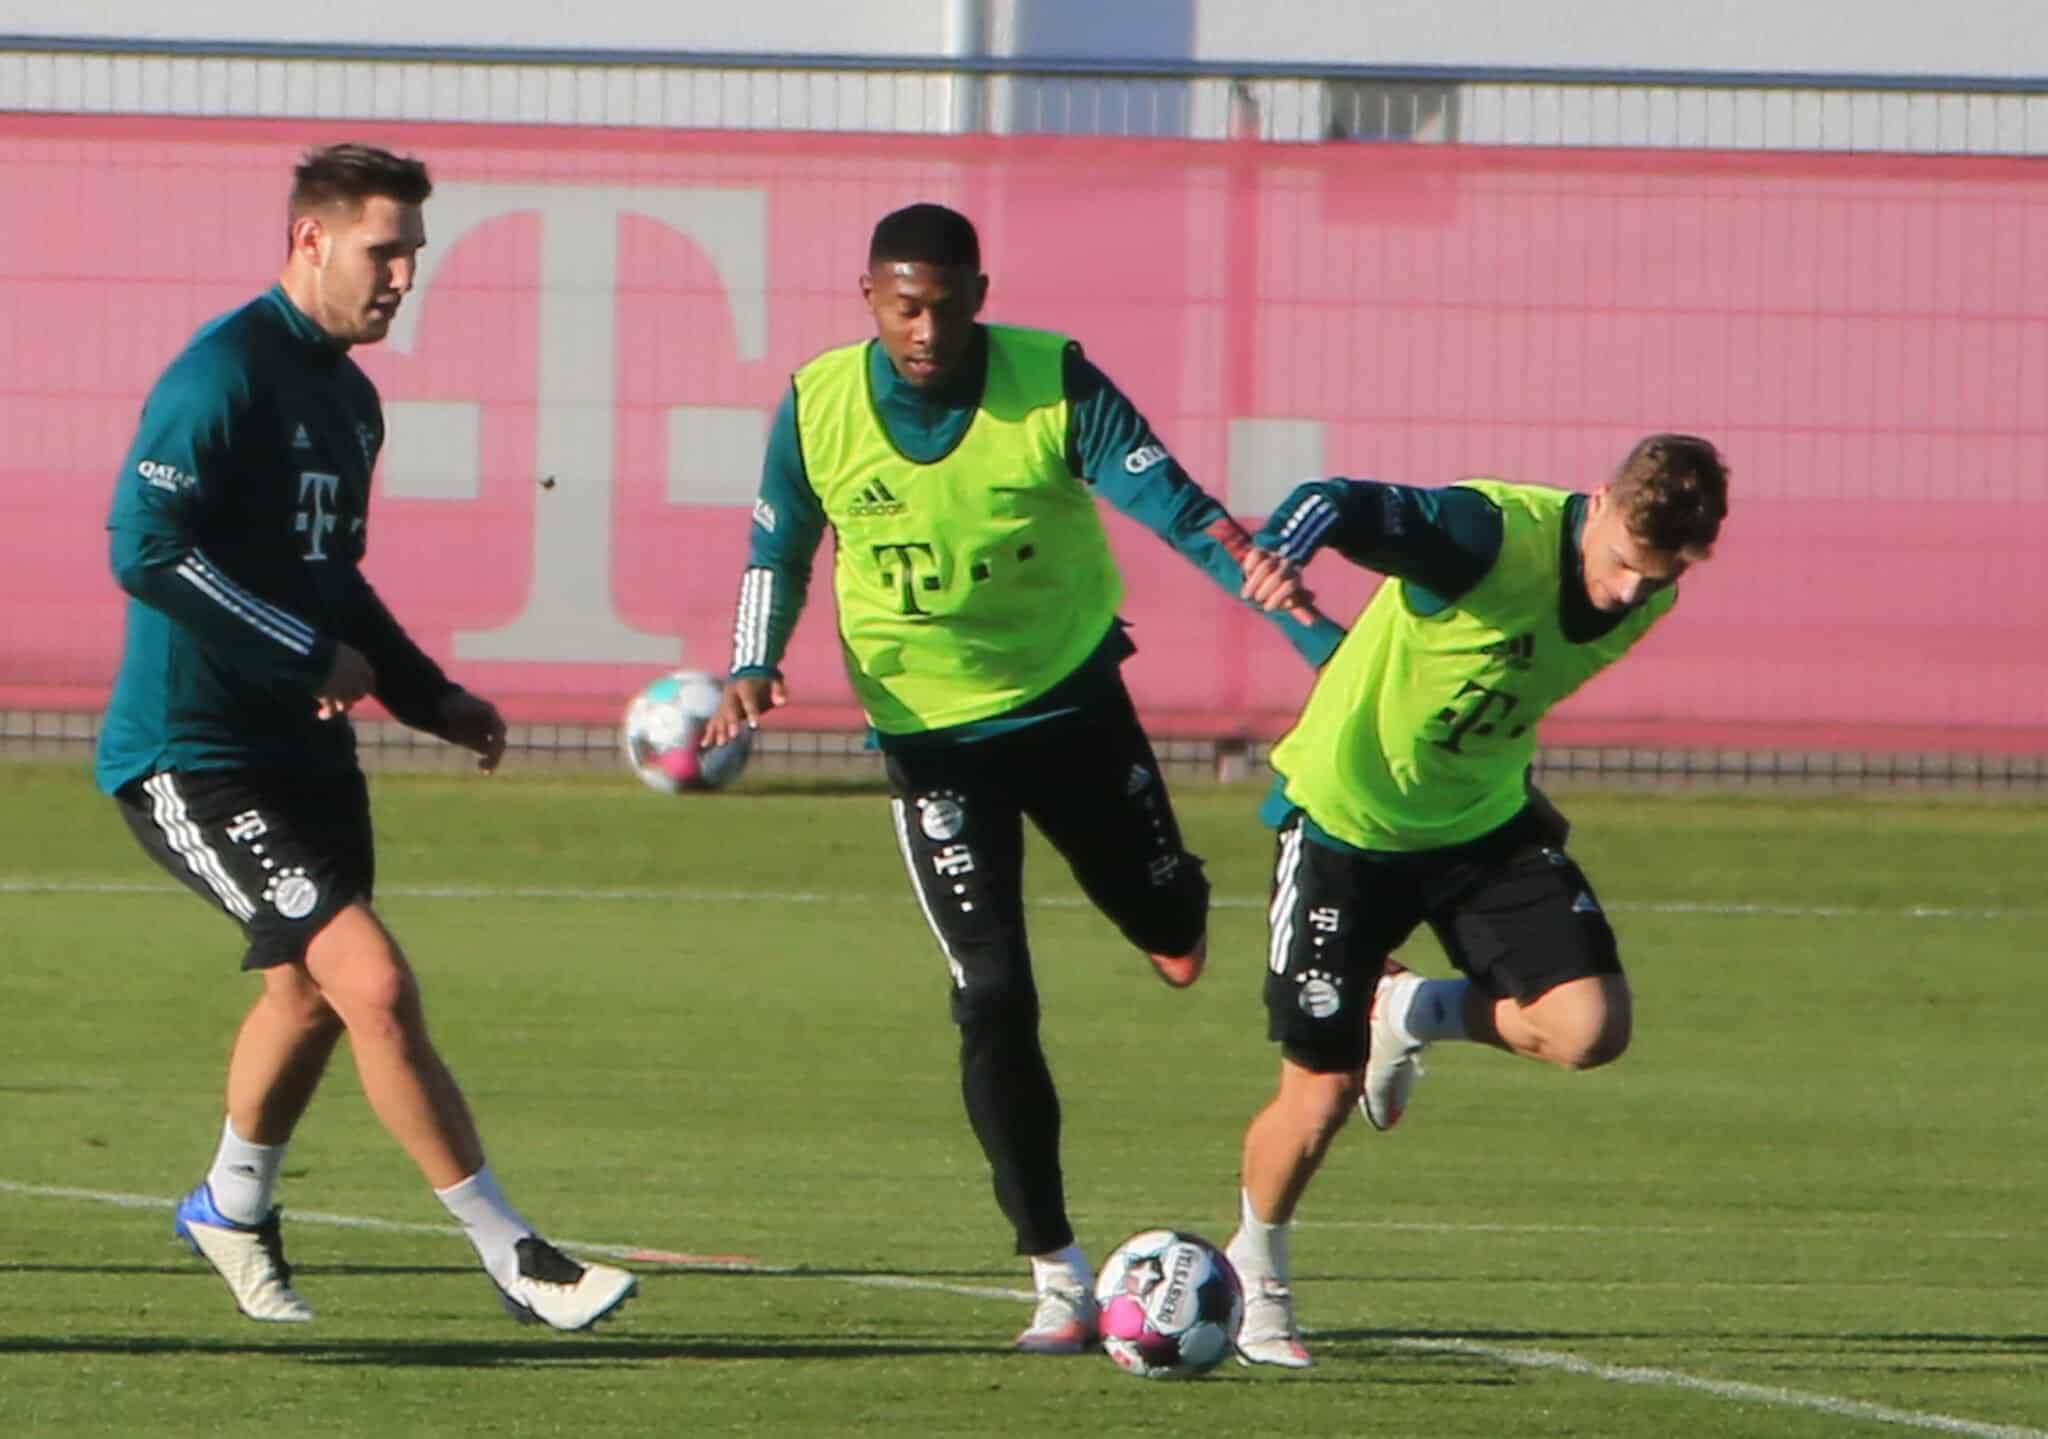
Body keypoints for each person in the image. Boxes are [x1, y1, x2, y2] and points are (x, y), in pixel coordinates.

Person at [701, 202, 1340, 1353]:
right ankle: (1053, 1266)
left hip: (1069, 702)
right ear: (867, 299)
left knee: (1168, 913)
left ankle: (1163, 910)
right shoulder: (817, 403)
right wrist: (751, 662)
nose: (926, 329)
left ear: (979, 295)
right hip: (928, 736)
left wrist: (1297, 625)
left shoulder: (1053, 381)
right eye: (904, 305)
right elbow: (776, 544)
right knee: (990, 992)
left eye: (947, 304)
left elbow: (1183, 512)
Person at [95, 143, 635, 1331]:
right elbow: (143, 546)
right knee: (373, 980)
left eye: (413, 256)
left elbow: (331, 580)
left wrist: (426, 692)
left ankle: (229, 1204)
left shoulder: (348, 398)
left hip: (302, 752)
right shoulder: (221, 374)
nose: (402, 276)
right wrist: (300, 652)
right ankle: (514, 1252)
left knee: (303, 993)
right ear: (310, 241)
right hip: (193, 751)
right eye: (383, 251)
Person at [1220, 435, 1729, 1367]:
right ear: (1598, 499)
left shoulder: (1648, 585)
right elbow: (1341, 499)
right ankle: (1256, 1270)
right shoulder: (1486, 536)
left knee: (1589, 1028)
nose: (1627, 592)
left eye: (1656, 577)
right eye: (1621, 562)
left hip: (1482, 822)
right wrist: (1287, 540)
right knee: (1320, 1092)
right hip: (1346, 827)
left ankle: (1411, 1007)